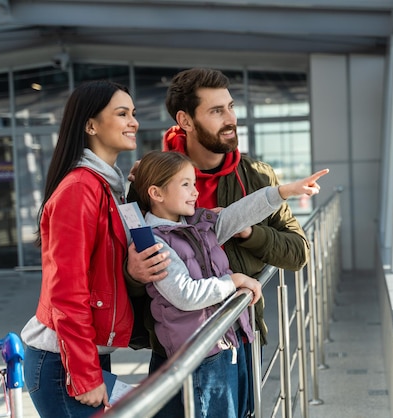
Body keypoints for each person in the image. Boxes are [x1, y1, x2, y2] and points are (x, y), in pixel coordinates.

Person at [126, 67, 313, 416]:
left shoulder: (256, 176)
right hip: (178, 348)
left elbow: (299, 251)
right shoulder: (148, 179)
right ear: (185, 119)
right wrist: (134, 273)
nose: (231, 119)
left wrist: (251, 233)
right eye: (216, 111)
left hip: (240, 335)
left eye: (230, 107)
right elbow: (128, 266)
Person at [20, 80, 169, 418]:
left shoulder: (108, 186)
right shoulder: (80, 189)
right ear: (90, 125)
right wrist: (85, 375)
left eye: (133, 113)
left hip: (83, 351)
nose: (134, 122)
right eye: (122, 113)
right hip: (64, 361)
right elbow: (67, 291)